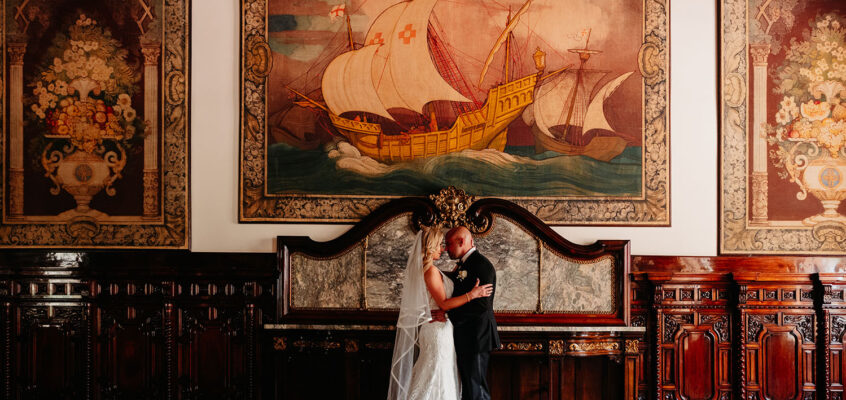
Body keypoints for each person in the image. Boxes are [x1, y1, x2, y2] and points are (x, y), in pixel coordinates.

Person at [388, 227, 493, 400]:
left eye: (446, 245)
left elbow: (473, 303)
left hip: (454, 330)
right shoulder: (430, 271)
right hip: (437, 329)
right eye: (439, 245)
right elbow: (443, 303)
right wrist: (472, 294)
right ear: (430, 247)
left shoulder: (437, 270)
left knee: (443, 374)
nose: (443, 249)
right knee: (436, 373)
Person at [443, 226, 499, 400]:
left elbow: (480, 306)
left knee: (476, 389)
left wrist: (447, 316)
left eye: (448, 244)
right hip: (468, 335)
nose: (446, 249)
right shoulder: (465, 264)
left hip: (477, 336)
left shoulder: (481, 265)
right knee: (469, 386)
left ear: (461, 241)